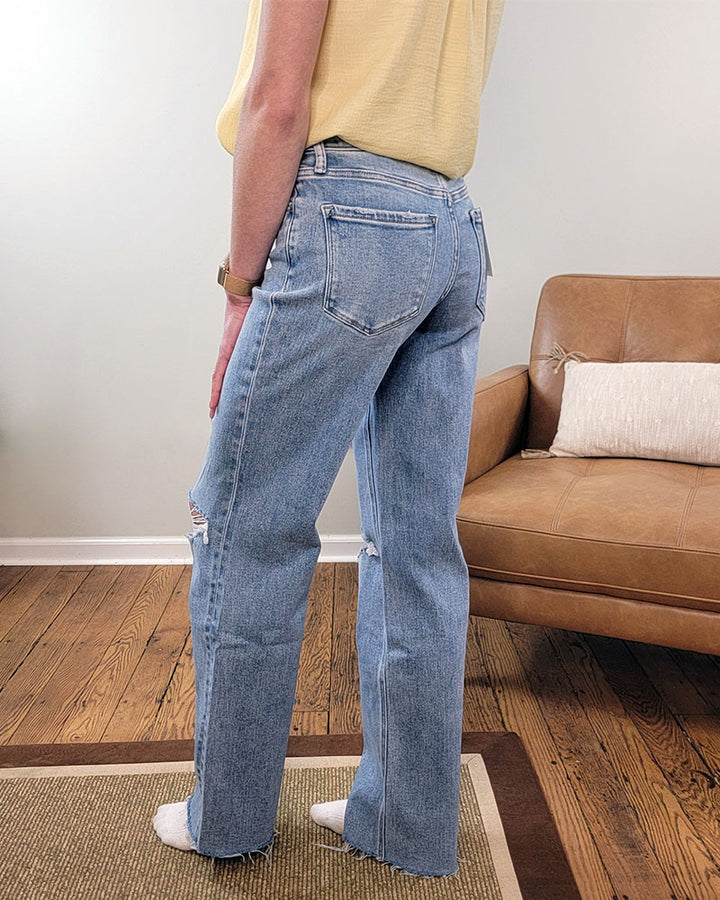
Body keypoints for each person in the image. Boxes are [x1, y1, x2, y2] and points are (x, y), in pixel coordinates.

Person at [152, 0, 505, 879]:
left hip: (347, 217)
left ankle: (227, 819)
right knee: (419, 548)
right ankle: (405, 822)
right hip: (451, 228)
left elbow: (279, 102)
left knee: (246, 529)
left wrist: (240, 286)